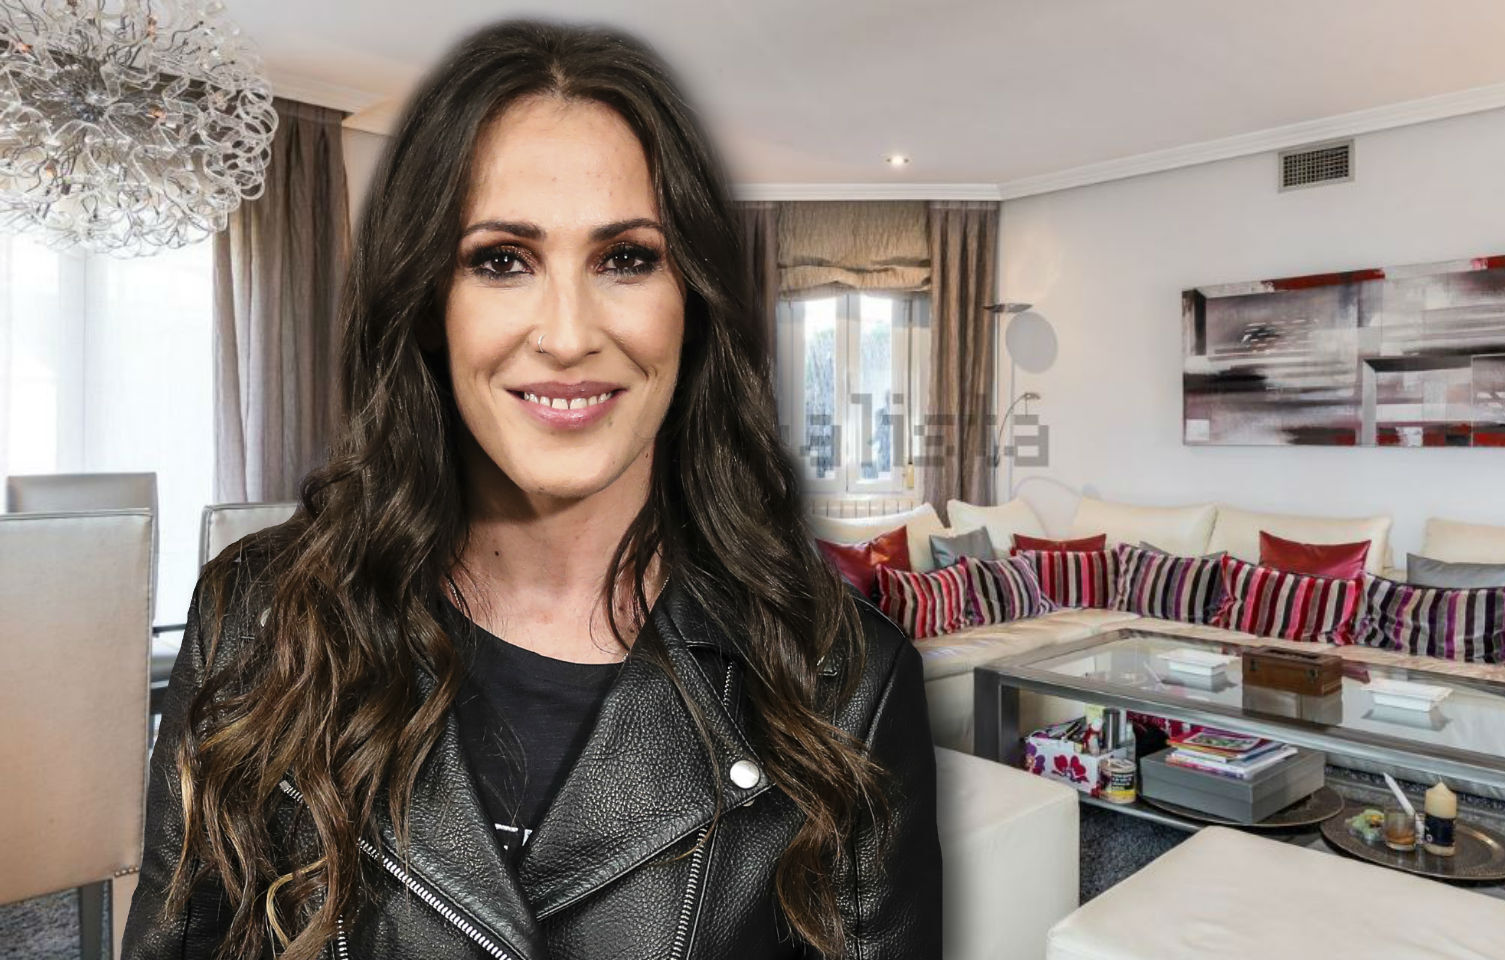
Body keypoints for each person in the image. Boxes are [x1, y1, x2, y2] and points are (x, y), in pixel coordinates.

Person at [122, 19, 941, 960]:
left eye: (626, 258)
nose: (567, 335)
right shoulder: (256, 615)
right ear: (429, 305)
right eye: (502, 260)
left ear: (693, 303)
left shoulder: (846, 682)